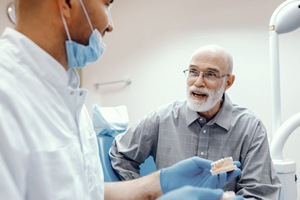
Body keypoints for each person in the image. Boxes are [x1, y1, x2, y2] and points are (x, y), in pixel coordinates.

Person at [0, 0, 242, 199]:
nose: (110, 25)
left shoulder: (67, 94)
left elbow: (87, 194)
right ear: (67, 3)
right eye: (107, 4)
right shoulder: (8, 97)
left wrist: (159, 184)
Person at [110, 44, 282, 199]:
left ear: (228, 82)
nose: (198, 82)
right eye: (193, 72)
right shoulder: (161, 118)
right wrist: (147, 194)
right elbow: (120, 155)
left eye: (210, 74)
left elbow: (260, 194)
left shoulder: (250, 128)